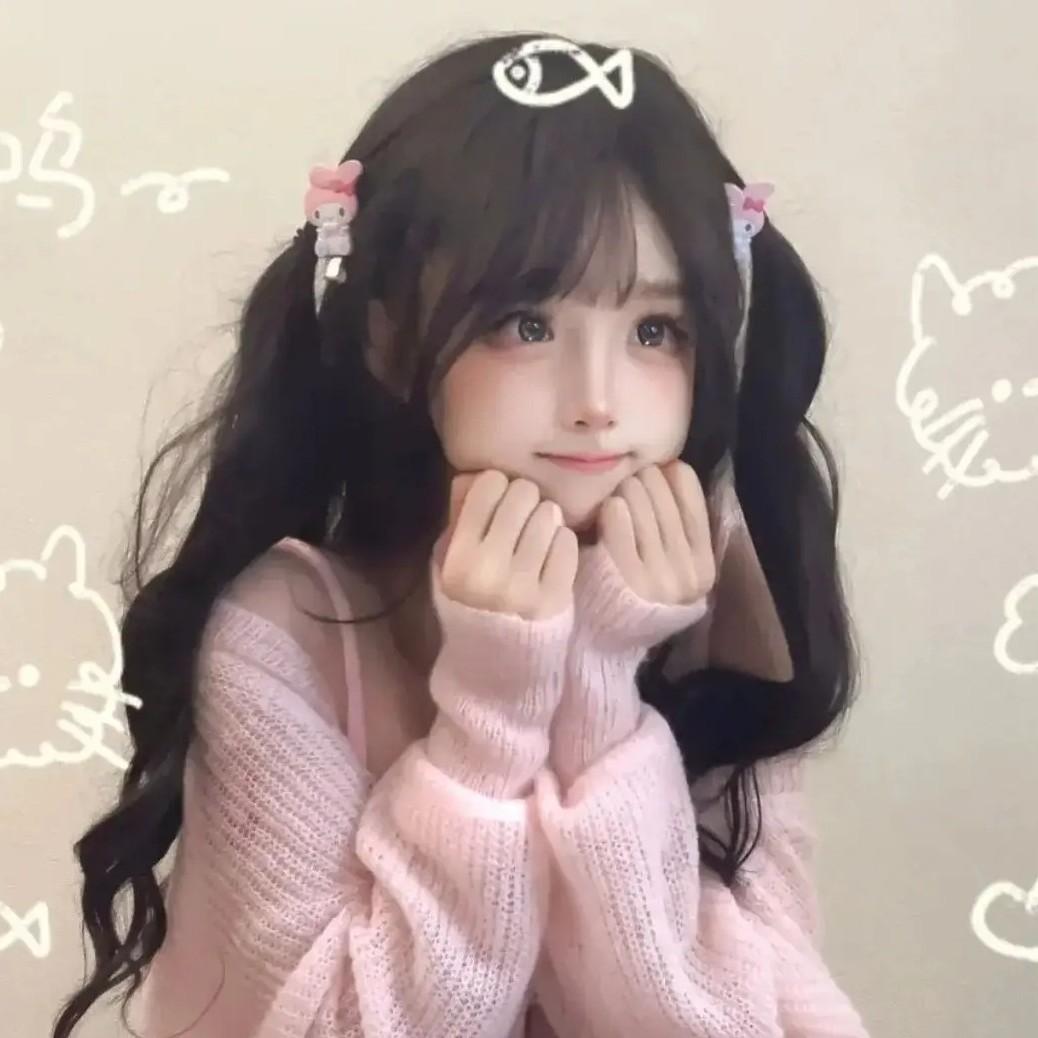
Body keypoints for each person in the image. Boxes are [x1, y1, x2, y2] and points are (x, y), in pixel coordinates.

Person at [52, 30, 869, 1038]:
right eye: (527, 324)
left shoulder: (711, 606)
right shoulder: (286, 632)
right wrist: (492, 716)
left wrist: (600, 681)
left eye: (655, 332)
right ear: (389, 340)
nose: (597, 401)